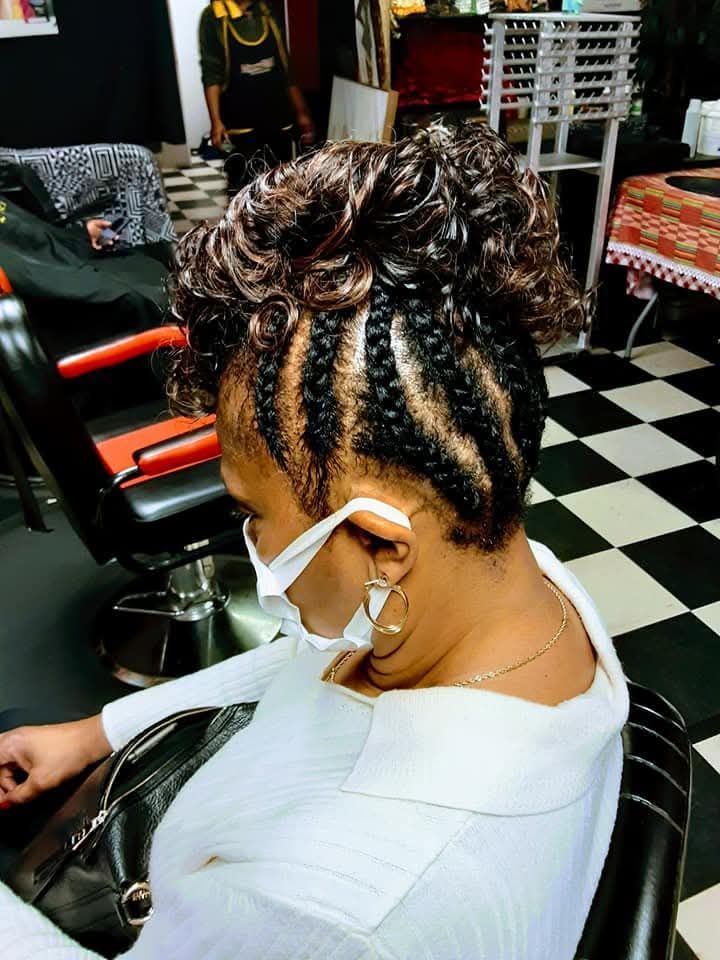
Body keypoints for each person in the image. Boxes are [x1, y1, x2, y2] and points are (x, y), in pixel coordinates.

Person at [0, 124, 628, 959]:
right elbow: (313, 661)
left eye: (252, 514)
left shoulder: (332, 917)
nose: (248, 540)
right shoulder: (510, 583)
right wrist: (95, 732)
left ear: (378, 541)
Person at [199, 0, 315, 195]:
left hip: (277, 120)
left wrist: (302, 113)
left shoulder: (265, 11)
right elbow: (211, 73)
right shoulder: (214, 16)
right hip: (240, 124)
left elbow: (285, 69)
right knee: (244, 193)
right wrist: (216, 121)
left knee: (281, 190)